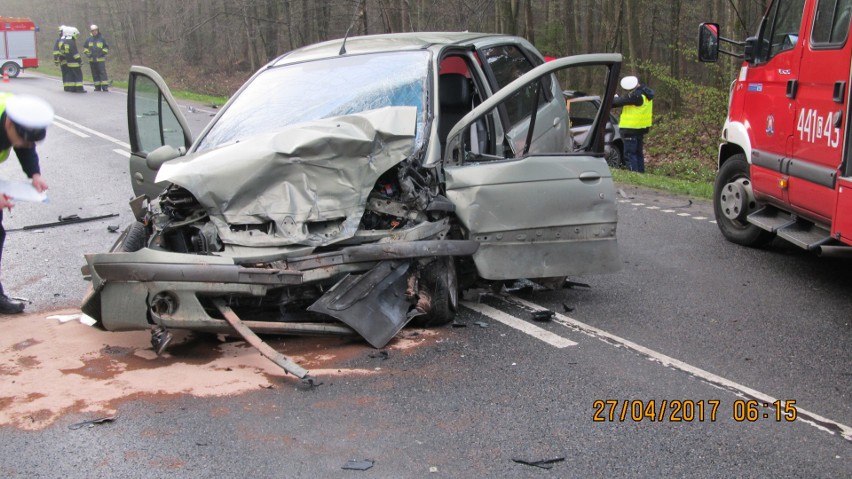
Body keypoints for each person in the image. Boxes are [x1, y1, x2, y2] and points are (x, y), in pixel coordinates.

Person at [0, 94, 53, 314]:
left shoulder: (19, 114)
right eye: (20, 139)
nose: (22, 145)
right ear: (8, 124)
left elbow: (25, 145)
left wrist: (34, 173)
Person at [612, 75, 654, 172]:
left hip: (631, 128)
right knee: (638, 153)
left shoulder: (636, 96)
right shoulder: (645, 94)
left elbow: (619, 101)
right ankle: (640, 173)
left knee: (630, 154)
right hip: (640, 128)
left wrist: (614, 98)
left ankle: (633, 174)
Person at [83, 25, 110, 92]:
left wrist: (102, 53)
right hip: (92, 60)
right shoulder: (89, 39)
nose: (94, 32)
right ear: (91, 32)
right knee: (94, 74)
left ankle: (105, 87)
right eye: (92, 31)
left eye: (95, 30)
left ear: (97, 30)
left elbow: (106, 47)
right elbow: (85, 48)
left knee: (102, 73)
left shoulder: (102, 39)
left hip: (100, 60)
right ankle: (97, 87)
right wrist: (87, 53)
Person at [60, 27, 85, 93]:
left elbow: (62, 52)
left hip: (68, 62)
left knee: (71, 75)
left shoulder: (65, 41)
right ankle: (79, 89)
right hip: (74, 62)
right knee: (78, 75)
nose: (76, 36)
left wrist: (61, 58)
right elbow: (75, 53)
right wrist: (79, 60)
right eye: (76, 34)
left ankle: (72, 88)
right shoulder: (71, 42)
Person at [53, 25, 71, 92]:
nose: (59, 33)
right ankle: (67, 86)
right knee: (66, 73)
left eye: (60, 31)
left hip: (65, 60)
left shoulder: (61, 40)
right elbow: (56, 51)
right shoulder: (63, 39)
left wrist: (56, 59)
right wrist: (56, 59)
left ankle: (67, 87)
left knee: (66, 73)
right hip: (65, 60)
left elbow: (56, 50)